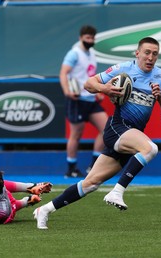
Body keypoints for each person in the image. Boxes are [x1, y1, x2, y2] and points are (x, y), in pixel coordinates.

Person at [34, 37, 161, 229]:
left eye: (154, 54)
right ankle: (117, 191)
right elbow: (89, 84)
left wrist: (160, 99)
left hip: (132, 135)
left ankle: (45, 210)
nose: (150, 57)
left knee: (91, 183)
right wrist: (105, 88)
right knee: (150, 148)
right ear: (137, 53)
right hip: (117, 127)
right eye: (147, 52)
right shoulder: (123, 68)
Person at [59, 25, 108, 178]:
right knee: (76, 135)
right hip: (77, 99)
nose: (90, 40)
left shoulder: (92, 54)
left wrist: (98, 91)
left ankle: (94, 166)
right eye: (87, 38)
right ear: (81, 38)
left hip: (91, 98)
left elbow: (91, 76)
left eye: (92, 38)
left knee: (107, 129)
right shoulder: (74, 54)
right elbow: (63, 73)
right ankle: (71, 168)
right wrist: (67, 92)